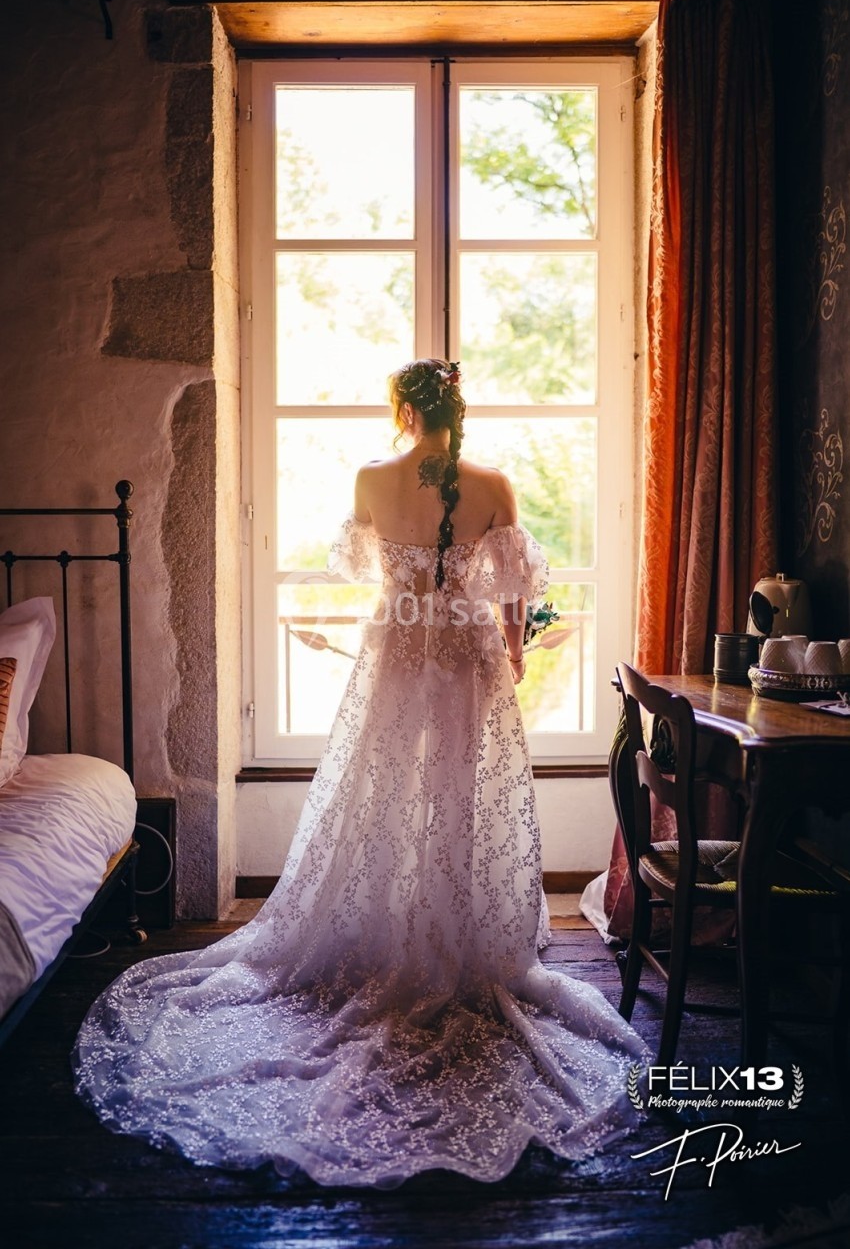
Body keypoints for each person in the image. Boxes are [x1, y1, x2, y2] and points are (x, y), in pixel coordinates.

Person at [73, 359, 648, 1187]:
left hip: (397, 658)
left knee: (380, 798)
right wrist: (516, 648)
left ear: (403, 410)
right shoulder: (495, 484)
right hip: (468, 661)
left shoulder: (372, 478)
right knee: (459, 802)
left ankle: (388, 926)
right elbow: (515, 591)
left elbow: (369, 570)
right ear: (458, 408)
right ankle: (455, 936)